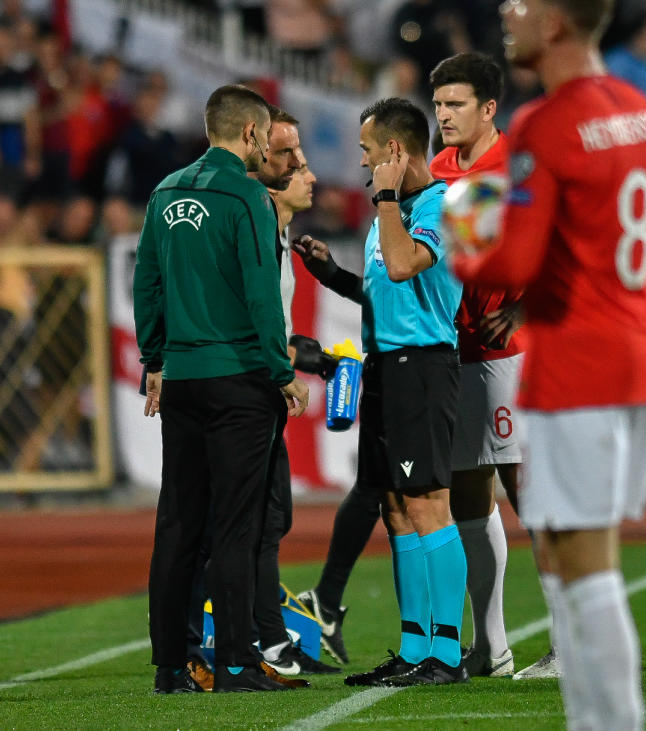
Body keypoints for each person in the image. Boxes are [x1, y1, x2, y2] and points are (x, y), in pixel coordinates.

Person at [452, 0, 646, 727]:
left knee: (586, 566)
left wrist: (465, 232)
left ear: (555, 22)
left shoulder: (545, 124)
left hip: (579, 363)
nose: (506, 13)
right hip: (637, 353)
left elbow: (514, 259)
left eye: (522, 5)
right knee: (560, 552)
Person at [134, 83, 310, 695]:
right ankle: (237, 662)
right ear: (252, 134)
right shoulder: (247, 197)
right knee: (236, 527)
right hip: (238, 380)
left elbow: (147, 284)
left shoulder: (164, 192)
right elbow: (263, 294)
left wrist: (154, 359)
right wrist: (282, 372)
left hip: (180, 381)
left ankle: (171, 666)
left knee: (178, 525)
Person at [294, 97, 468, 687]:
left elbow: (401, 267)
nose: (362, 163)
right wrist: (333, 275)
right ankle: (415, 647)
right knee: (394, 509)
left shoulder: (439, 204)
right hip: (386, 369)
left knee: (427, 505)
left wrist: (388, 198)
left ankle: (445, 654)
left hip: (423, 368)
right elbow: (382, 293)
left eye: (368, 151)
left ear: (394, 150)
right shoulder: (385, 214)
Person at [184, 108, 339, 690]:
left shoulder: (275, 232)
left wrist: (304, 354)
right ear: (261, 159)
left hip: (252, 390)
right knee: (226, 524)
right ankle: (206, 647)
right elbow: (246, 321)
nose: (305, 167)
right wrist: (294, 363)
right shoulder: (247, 228)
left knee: (266, 520)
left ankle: (266, 638)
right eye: (291, 155)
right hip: (236, 392)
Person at [428, 51, 529, 680]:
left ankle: (574, 641)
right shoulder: (437, 168)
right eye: (438, 105)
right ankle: (492, 647)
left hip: (507, 351)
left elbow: (561, 238)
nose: (443, 116)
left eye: (455, 104)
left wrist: (522, 311)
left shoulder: (518, 162)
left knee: (528, 490)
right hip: (455, 347)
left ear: (488, 109)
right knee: (469, 489)